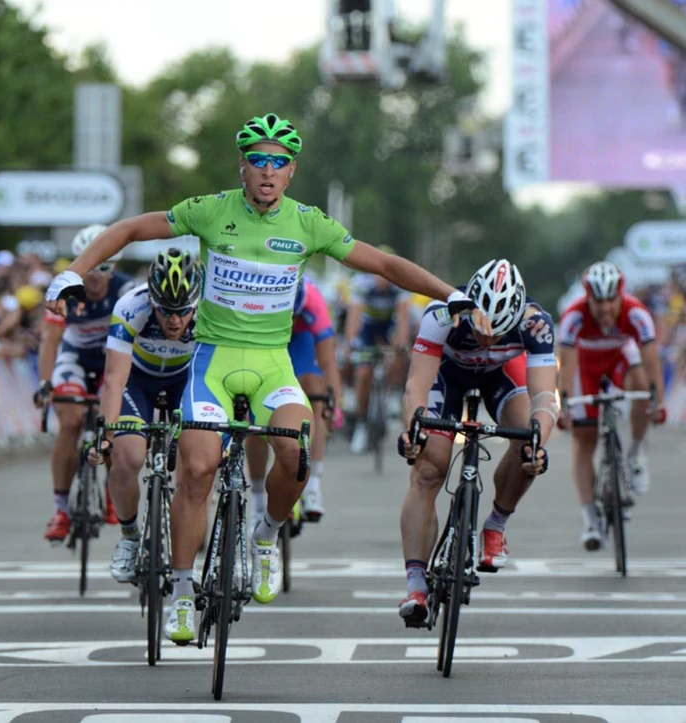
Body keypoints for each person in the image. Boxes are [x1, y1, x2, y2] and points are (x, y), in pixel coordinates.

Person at [43, 112, 489, 644]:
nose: (268, 171)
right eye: (259, 160)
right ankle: (182, 592)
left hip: (272, 363)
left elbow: (383, 266)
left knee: (297, 452)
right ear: (243, 167)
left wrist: (451, 294)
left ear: (292, 171)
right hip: (212, 360)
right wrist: (74, 269)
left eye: (279, 162)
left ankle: (266, 534)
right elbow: (132, 228)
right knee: (198, 470)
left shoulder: (307, 222)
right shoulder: (212, 211)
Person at [396, 259, 554, 626]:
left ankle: (496, 524)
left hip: (501, 377)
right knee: (428, 470)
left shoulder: (536, 323)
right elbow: (417, 384)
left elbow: (545, 395)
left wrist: (538, 440)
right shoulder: (441, 314)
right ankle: (416, 585)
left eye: (499, 333)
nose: (487, 339)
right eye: (482, 329)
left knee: (528, 443)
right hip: (446, 376)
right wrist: (413, 430)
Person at [89, 247, 200, 583]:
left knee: (197, 467)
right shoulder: (130, 305)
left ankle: (189, 556)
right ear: (151, 299)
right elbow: (114, 379)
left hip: (187, 380)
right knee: (127, 457)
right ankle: (130, 538)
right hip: (137, 382)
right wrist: (106, 435)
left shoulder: (212, 308)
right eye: (165, 311)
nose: (175, 321)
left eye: (183, 311)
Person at [35, 224, 135, 542]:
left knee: (112, 422)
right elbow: (50, 340)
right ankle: (61, 510)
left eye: (104, 267)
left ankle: (112, 491)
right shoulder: (66, 289)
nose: (95, 276)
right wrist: (45, 382)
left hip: (111, 362)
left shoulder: (125, 290)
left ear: (114, 267)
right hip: (74, 358)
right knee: (70, 422)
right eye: (90, 266)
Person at [557, 261, 666, 550]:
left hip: (621, 361)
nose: (604, 309)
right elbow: (565, 366)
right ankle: (591, 520)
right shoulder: (573, 317)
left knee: (642, 384)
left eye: (610, 300)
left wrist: (658, 402)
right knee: (583, 440)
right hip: (587, 368)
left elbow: (652, 359)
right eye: (597, 301)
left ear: (620, 296)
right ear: (587, 298)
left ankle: (636, 452)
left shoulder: (637, 313)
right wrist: (564, 406)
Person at [246, 276, 342, 522]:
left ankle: (313, 487)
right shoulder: (260, 299)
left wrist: (335, 405)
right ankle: (257, 500)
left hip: (301, 342)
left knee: (315, 390)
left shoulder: (313, 303)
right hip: (265, 336)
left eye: (294, 316)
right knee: (252, 412)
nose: (290, 321)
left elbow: (328, 361)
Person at [345, 254, 412, 454]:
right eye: (379, 275)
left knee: (400, 352)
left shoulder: (399, 286)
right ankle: (361, 424)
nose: (383, 279)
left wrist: (400, 344)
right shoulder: (362, 284)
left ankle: (391, 394)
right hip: (368, 329)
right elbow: (354, 318)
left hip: (387, 328)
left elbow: (402, 320)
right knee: (364, 374)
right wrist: (351, 342)